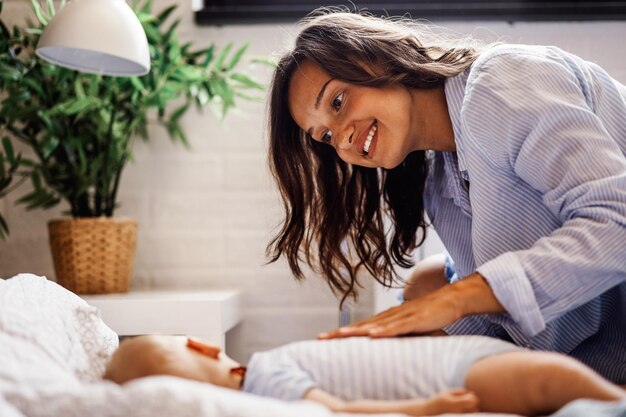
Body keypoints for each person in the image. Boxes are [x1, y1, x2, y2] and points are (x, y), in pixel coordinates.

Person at [264, 9, 626, 384]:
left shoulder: (499, 81)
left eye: (337, 102)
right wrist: (386, 351)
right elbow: (506, 325)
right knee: (426, 284)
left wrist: (454, 300)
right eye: (324, 137)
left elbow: (618, 221)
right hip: (598, 356)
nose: (341, 139)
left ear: (375, 57)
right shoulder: (439, 182)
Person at [104, 335, 626, 416]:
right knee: (546, 383)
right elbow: (339, 411)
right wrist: (423, 408)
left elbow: (337, 410)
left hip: (452, 361)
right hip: (453, 365)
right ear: (203, 346)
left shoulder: (268, 376)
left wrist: (423, 408)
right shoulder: (266, 385)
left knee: (547, 381)